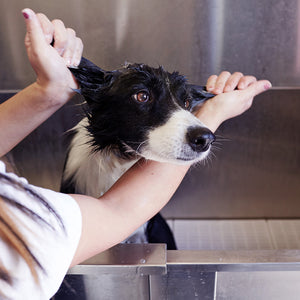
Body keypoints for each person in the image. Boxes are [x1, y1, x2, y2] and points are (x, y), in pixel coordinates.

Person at [0, 8, 272, 300]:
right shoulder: (22, 240)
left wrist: (50, 89)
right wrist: (213, 114)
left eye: (184, 102)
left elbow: (117, 212)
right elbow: (117, 213)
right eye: (142, 96)